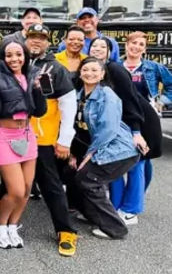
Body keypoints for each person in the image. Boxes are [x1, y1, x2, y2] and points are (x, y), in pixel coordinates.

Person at [0, 40, 47, 249]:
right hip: (3, 135)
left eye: (18, 54)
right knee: (16, 190)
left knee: (27, 189)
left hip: (27, 134)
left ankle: (12, 225)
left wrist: (38, 89)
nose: (14, 59)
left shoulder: (32, 76)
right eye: (9, 55)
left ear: (25, 56)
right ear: (3, 57)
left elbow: (39, 111)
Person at [71, 57, 139, 239]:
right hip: (104, 147)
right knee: (81, 178)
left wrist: (89, 154)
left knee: (89, 180)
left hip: (119, 150)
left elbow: (107, 130)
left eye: (95, 70)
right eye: (85, 70)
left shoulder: (107, 95)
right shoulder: (79, 95)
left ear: (102, 75)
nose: (89, 73)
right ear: (80, 73)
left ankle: (116, 229)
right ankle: (93, 216)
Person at [25, 24, 79, 256]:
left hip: (43, 138)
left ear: (48, 42)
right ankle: (3, 210)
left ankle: (66, 230)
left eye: (41, 38)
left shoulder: (56, 68)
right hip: (14, 135)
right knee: (13, 178)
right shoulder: (17, 60)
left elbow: (69, 105)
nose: (36, 41)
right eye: (32, 37)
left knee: (51, 185)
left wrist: (65, 139)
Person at [111, 32, 168, 225]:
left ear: (145, 48)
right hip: (121, 120)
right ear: (125, 45)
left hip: (146, 121)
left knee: (140, 162)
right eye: (133, 43)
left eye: (141, 44)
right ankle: (117, 204)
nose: (136, 47)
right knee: (118, 161)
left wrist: (161, 102)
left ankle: (131, 209)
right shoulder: (116, 66)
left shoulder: (152, 68)